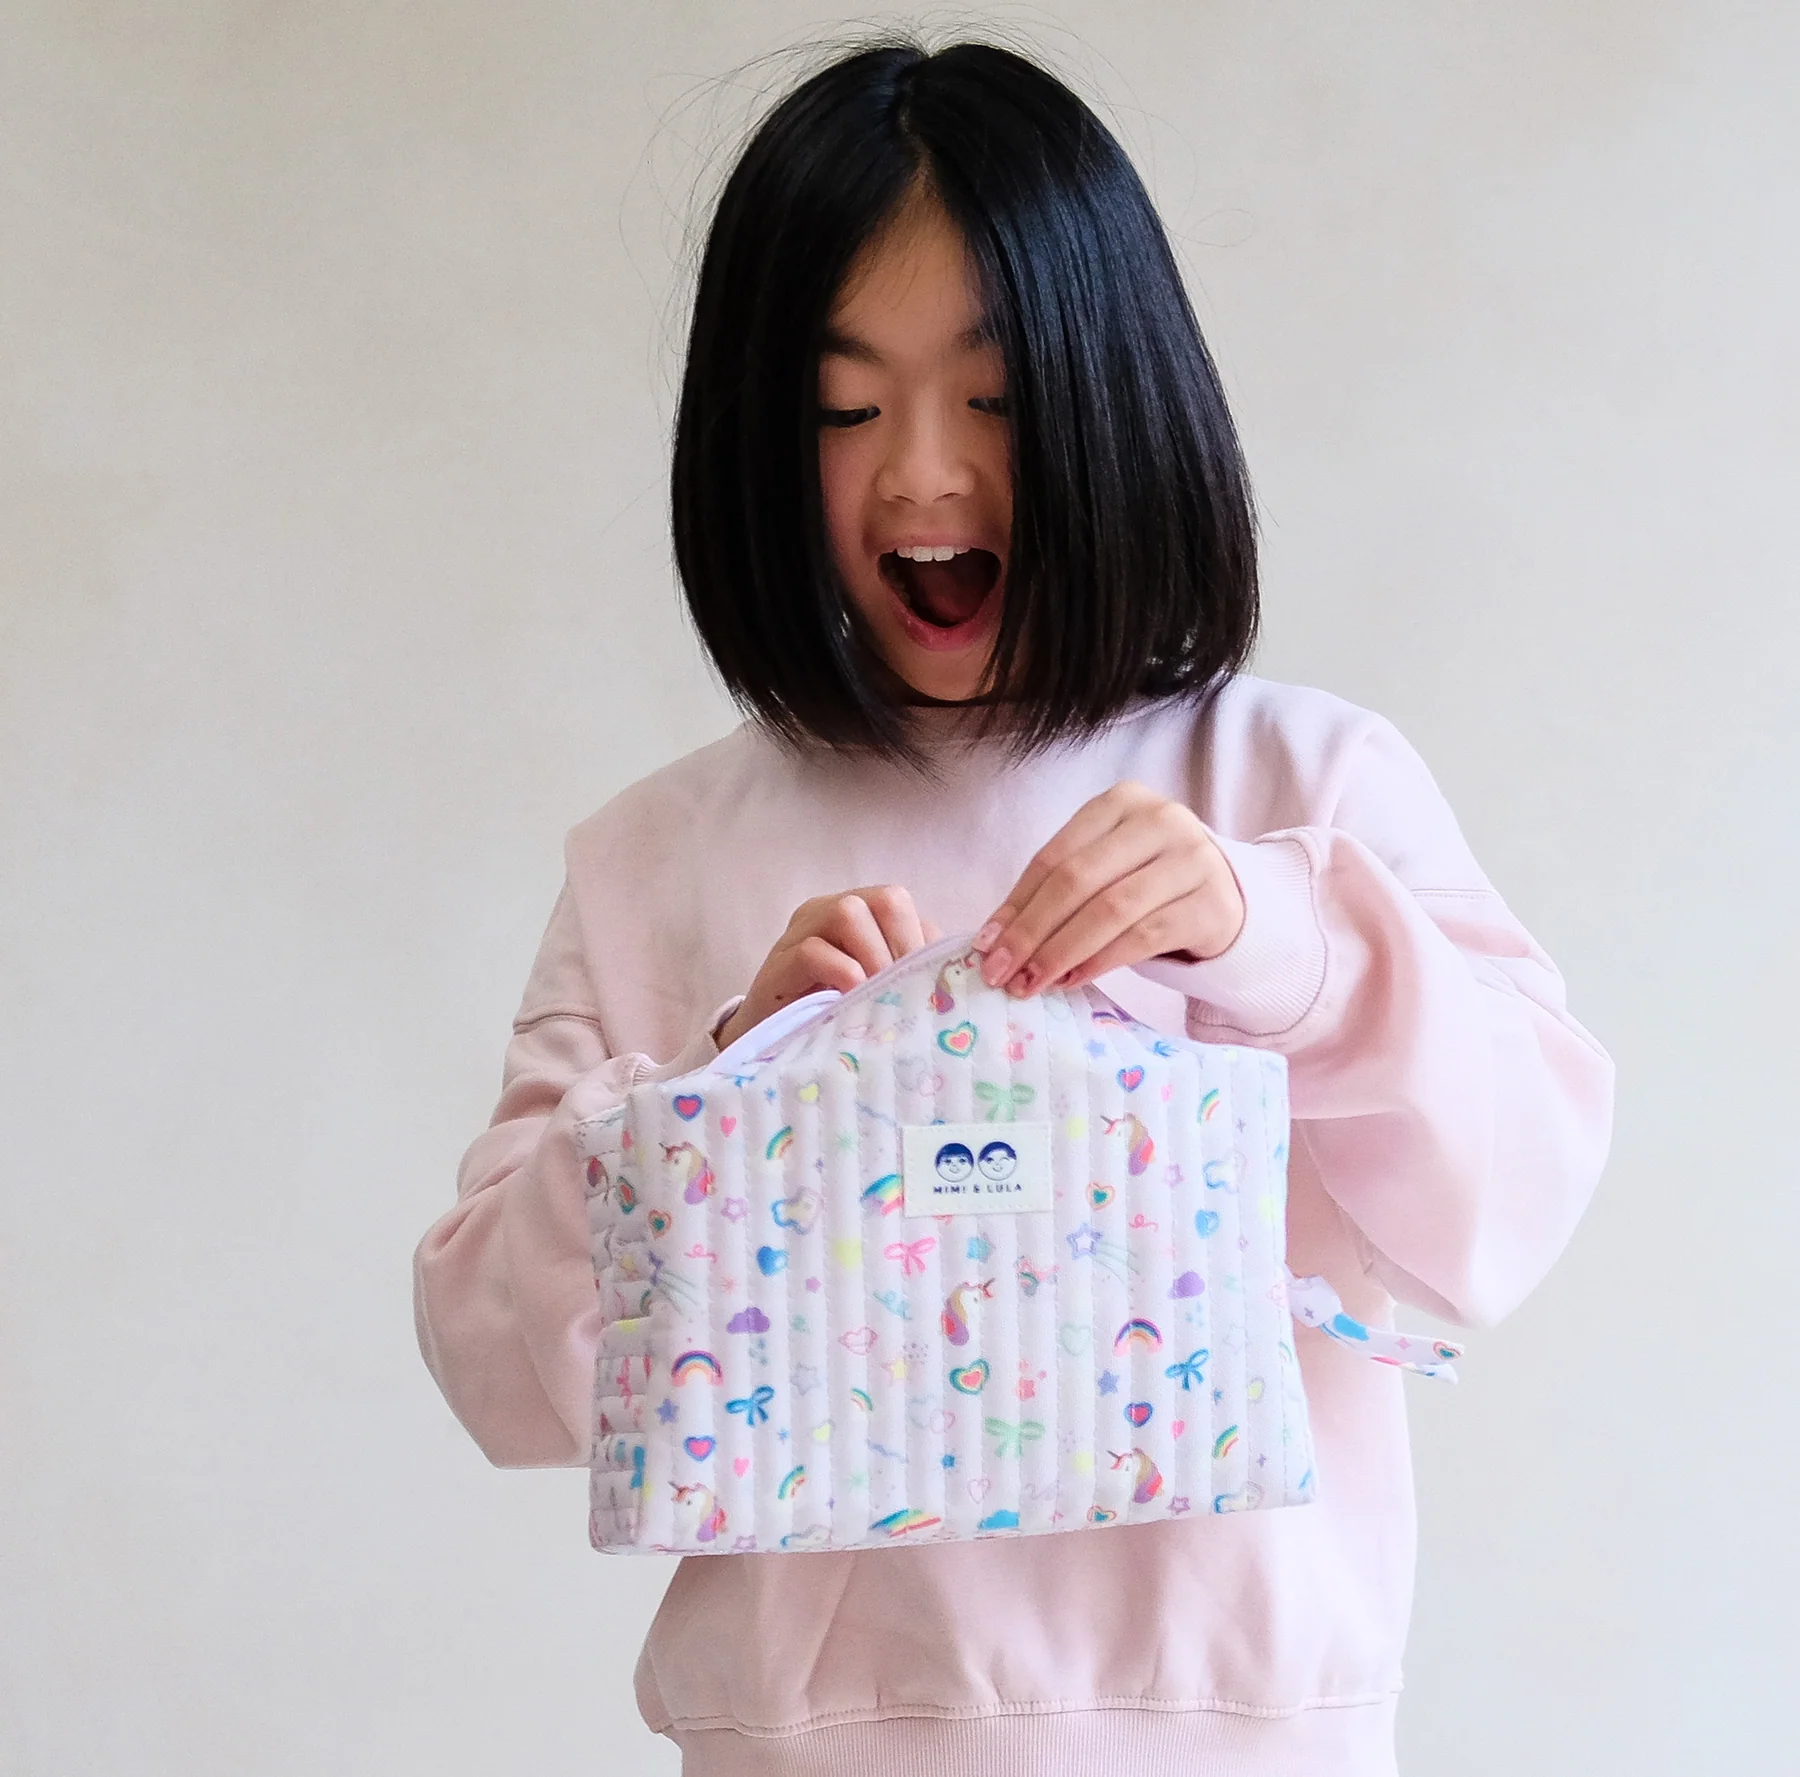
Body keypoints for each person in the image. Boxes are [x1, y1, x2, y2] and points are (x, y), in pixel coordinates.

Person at [412, 38, 1615, 1777]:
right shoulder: (655, 856)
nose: (921, 475)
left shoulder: (1303, 784)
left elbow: (1515, 1194)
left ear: (1116, 397)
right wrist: (719, 1098)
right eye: (844, 410)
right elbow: (490, 1370)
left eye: (991, 398)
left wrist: (1279, 941)